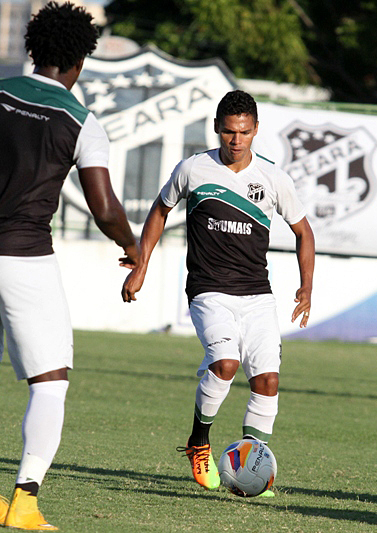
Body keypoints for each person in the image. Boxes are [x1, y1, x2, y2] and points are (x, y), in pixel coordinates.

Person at [0, 2, 139, 529]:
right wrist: (134, 246)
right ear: (81, 60)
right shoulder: (81, 121)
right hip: (25, 259)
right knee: (49, 382)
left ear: (32, 50)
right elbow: (105, 209)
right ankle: (26, 503)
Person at [121, 90, 315, 494]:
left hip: (257, 295)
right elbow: (160, 210)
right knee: (225, 364)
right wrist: (141, 264)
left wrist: (306, 287)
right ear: (217, 129)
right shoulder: (194, 169)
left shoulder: (274, 177)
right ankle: (198, 442)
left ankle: (251, 464)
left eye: (244, 132)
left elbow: (303, 231)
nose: (236, 140)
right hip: (209, 291)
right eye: (228, 132)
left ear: (256, 130)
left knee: (268, 381)